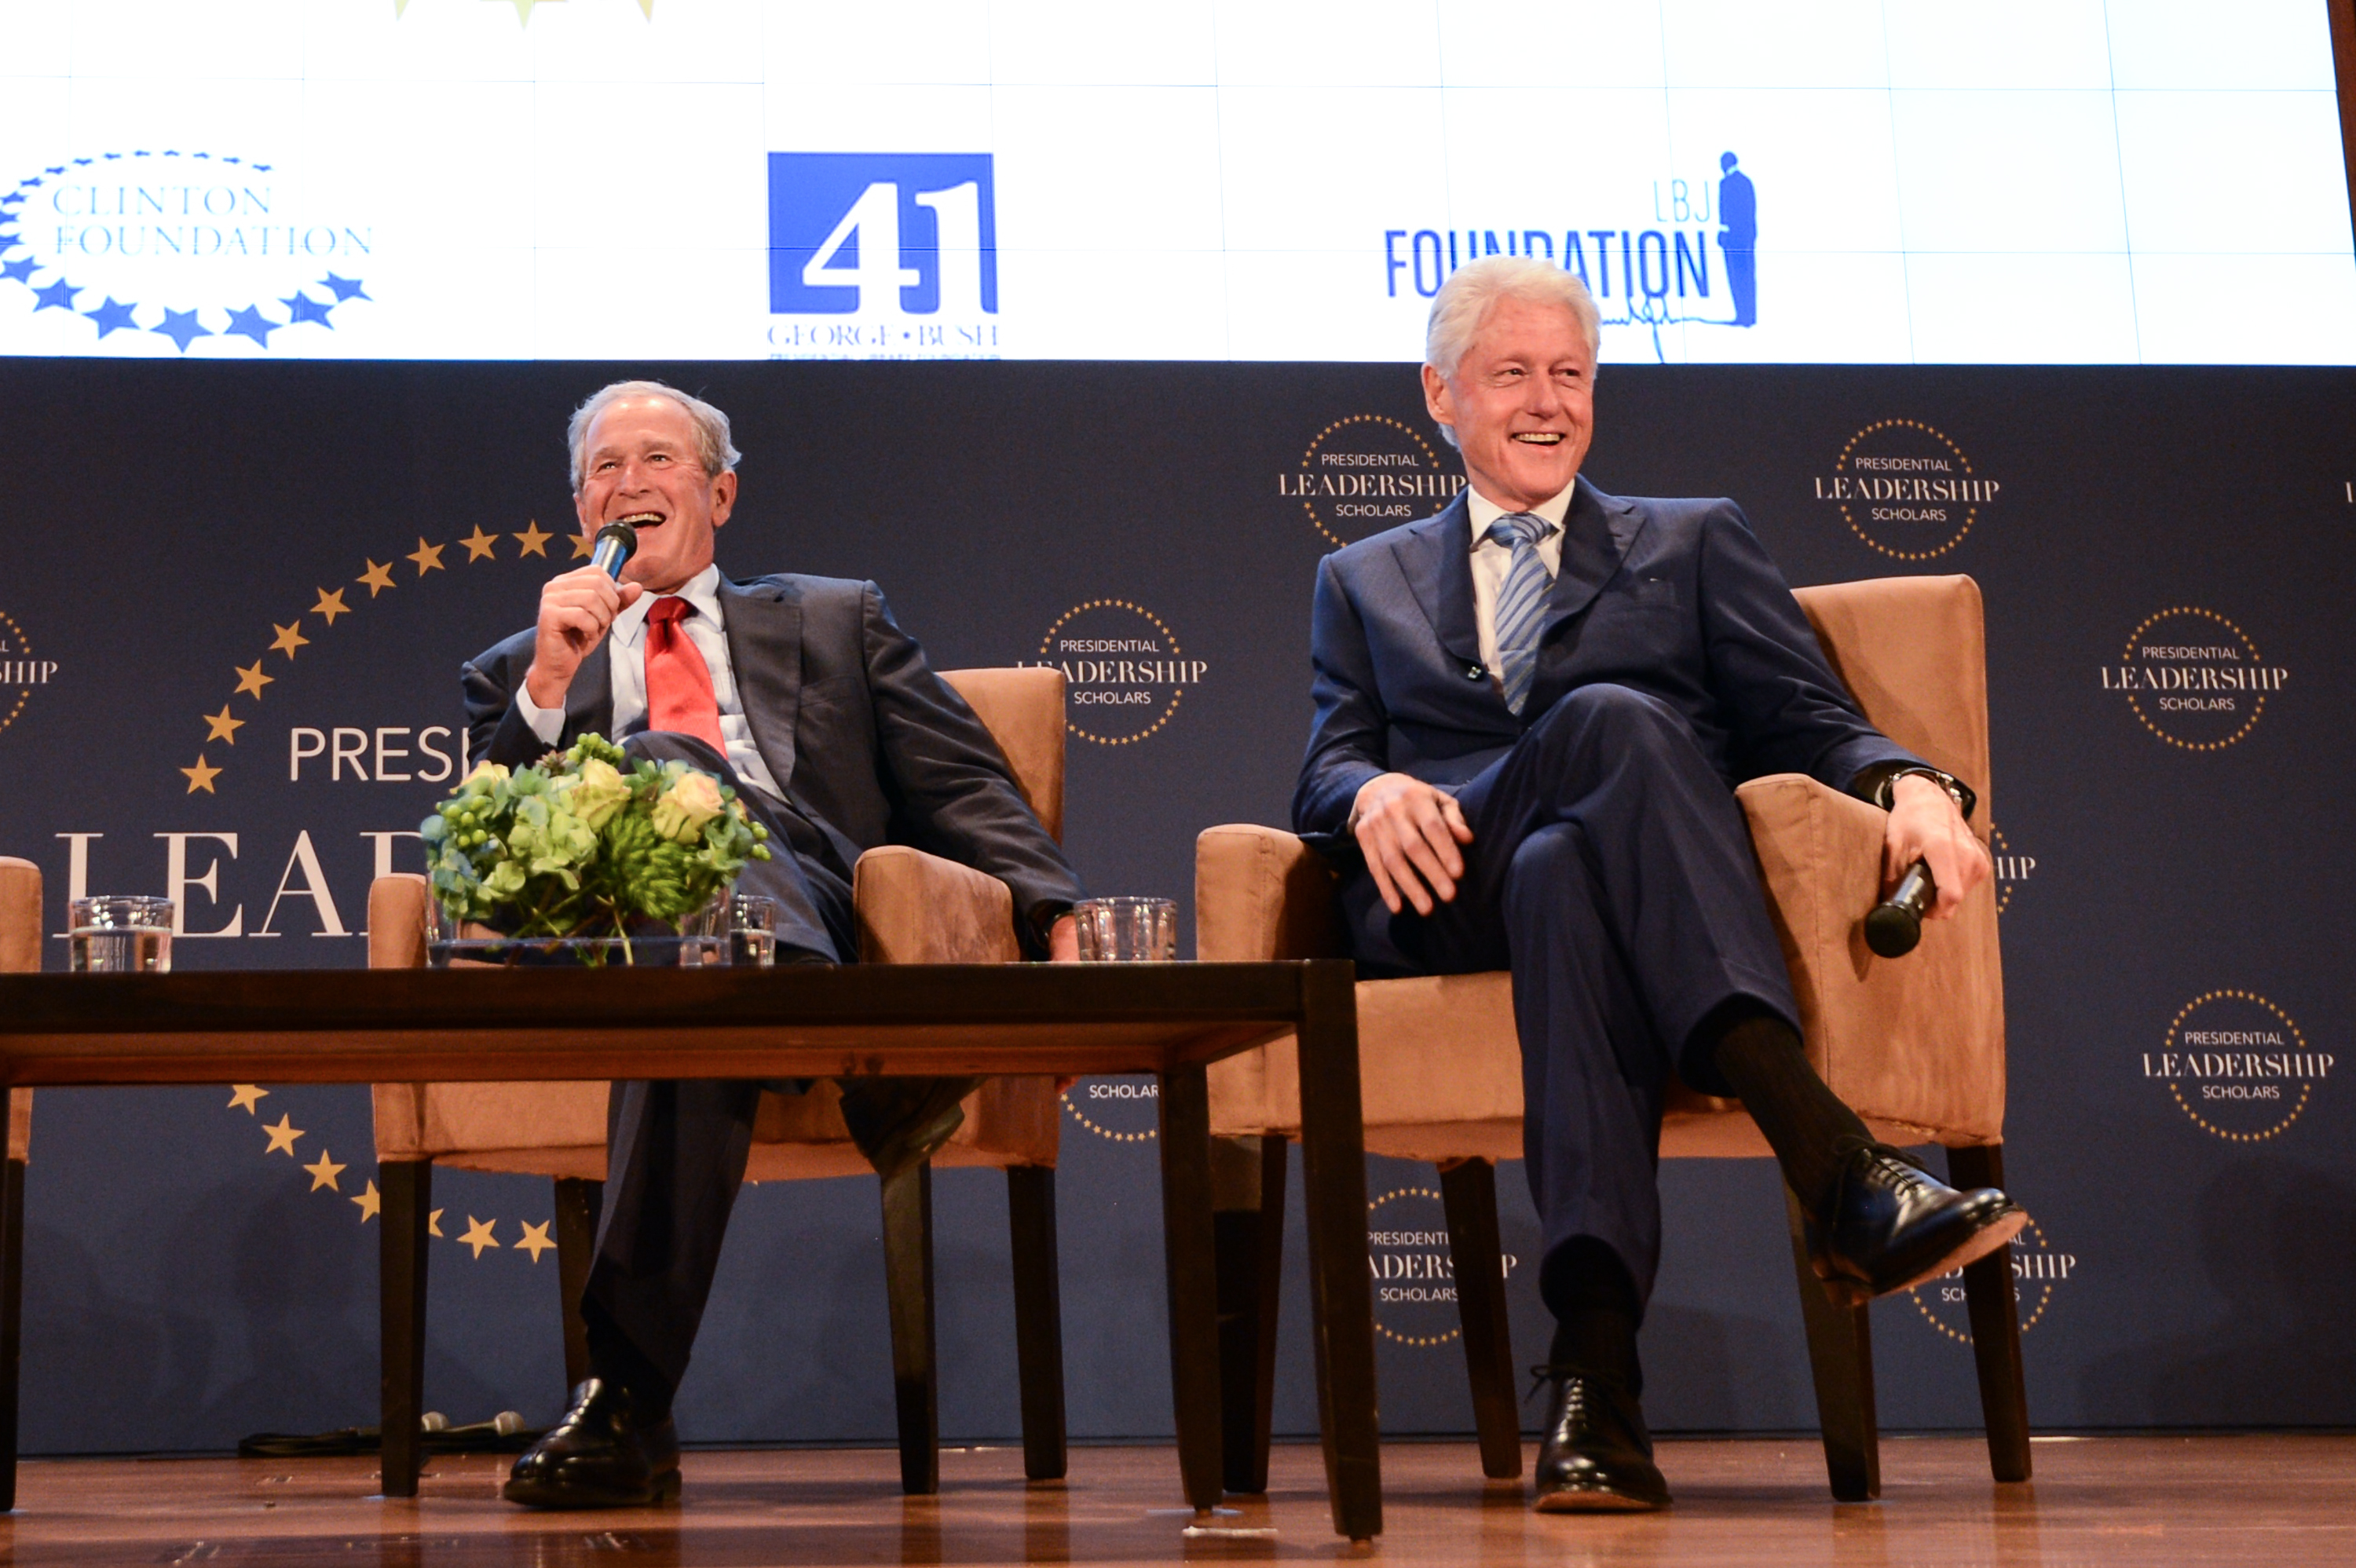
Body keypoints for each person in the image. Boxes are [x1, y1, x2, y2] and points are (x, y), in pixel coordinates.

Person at [1294, 257, 2021, 1512]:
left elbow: (1808, 717)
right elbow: (1324, 764)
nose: (1546, 402)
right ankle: (1834, 1163)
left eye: (1569, 375)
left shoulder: (1691, 539)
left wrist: (1913, 783)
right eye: (1511, 374)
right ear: (1440, 394)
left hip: (1598, 889)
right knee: (1610, 723)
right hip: (1444, 881)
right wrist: (1368, 793)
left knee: (1564, 869)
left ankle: (1595, 1384)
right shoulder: (1362, 577)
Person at [463, 380, 1085, 1508]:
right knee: (667, 798)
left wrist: (1055, 916)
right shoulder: (520, 669)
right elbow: (486, 858)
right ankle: (825, 1030)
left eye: (659, 459)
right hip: (626, 941)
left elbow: (964, 786)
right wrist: (552, 684)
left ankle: (626, 1401)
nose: (631, 483)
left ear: (721, 493)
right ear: (581, 508)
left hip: (816, 897)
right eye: (606, 468)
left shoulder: (835, 619)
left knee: (690, 877)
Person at [1718, 151, 1757, 327]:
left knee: (1737, 276)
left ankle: (1742, 314)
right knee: (1748, 277)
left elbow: (1725, 214)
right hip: (1747, 238)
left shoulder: (1726, 184)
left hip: (1734, 238)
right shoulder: (1746, 182)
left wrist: (1724, 233)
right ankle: (1749, 315)